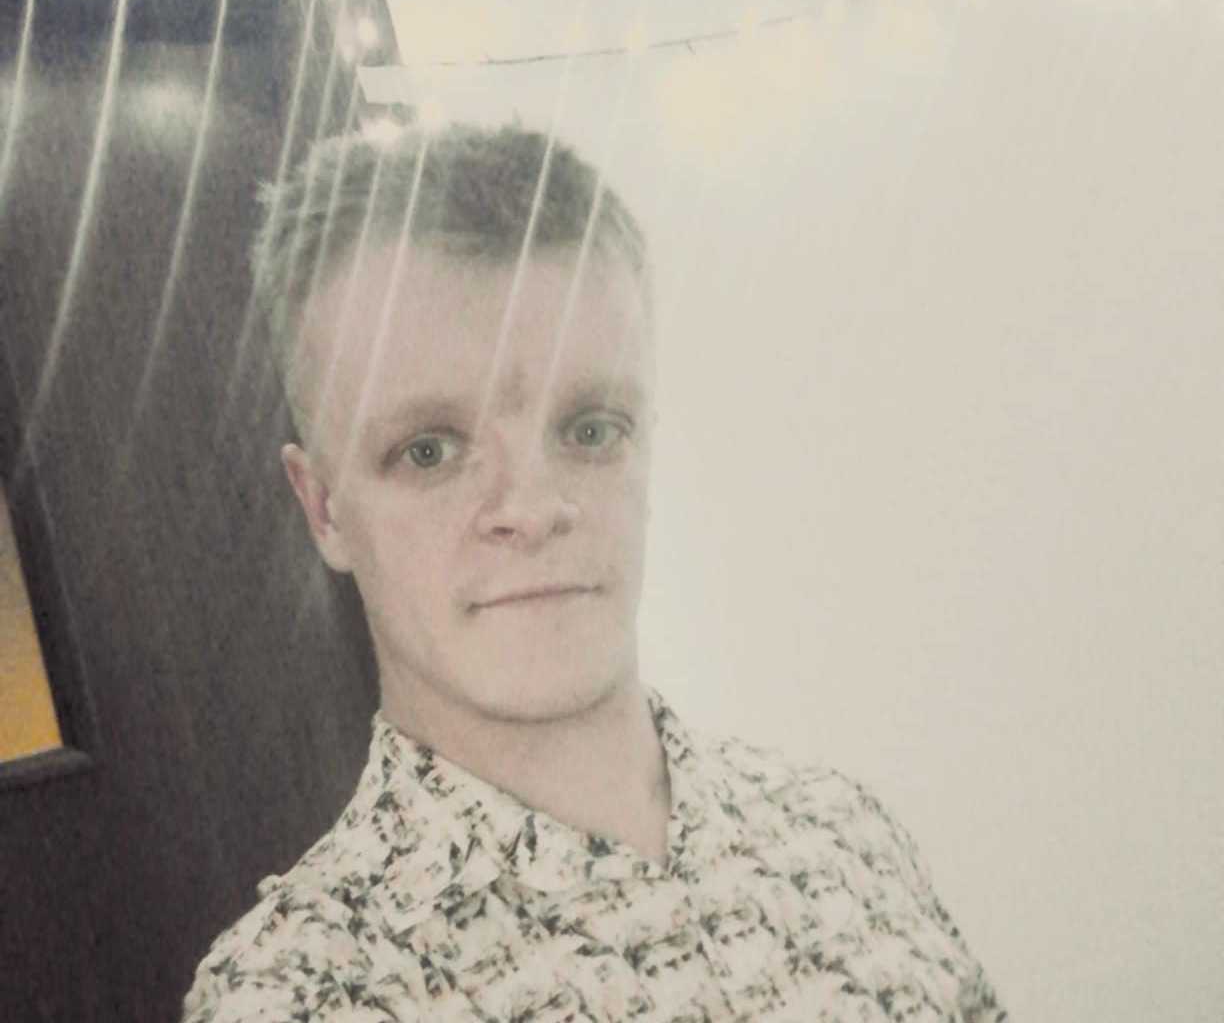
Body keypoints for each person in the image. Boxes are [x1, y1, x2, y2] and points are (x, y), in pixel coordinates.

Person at [182, 121, 1007, 1021]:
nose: (533, 507)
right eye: (428, 450)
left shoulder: (844, 834)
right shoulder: (296, 996)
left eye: (589, 428)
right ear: (325, 509)